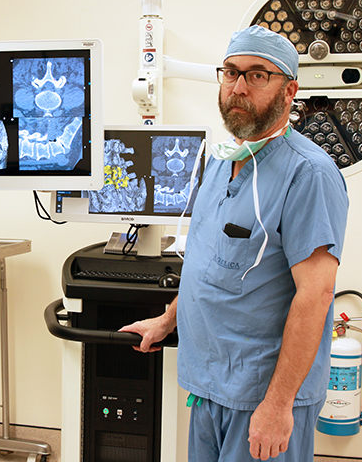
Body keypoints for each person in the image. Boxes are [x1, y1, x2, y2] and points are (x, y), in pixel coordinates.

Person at [120, 25, 349, 462]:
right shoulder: (223, 162)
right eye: (231, 73)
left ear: (290, 90)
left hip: (261, 395)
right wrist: (167, 321)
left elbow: (316, 295)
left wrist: (278, 406)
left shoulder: (309, 175)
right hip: (208, 386)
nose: (239, 87)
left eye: (258, 75)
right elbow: (208, 264)